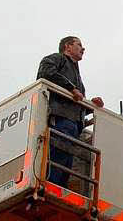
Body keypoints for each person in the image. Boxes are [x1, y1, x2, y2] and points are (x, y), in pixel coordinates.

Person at [37, 36, 104, 188]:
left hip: (72, 126)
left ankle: (56, 190)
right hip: (61, 121)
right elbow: (45, 72)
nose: (83, 48)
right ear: (67, 46)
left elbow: (74, 104)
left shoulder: (76, 75)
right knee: (57, 159)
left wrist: (91, 105)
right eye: (79, 44)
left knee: (65, 166)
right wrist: (71, 88)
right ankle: (51, 187)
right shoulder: (57, 59)